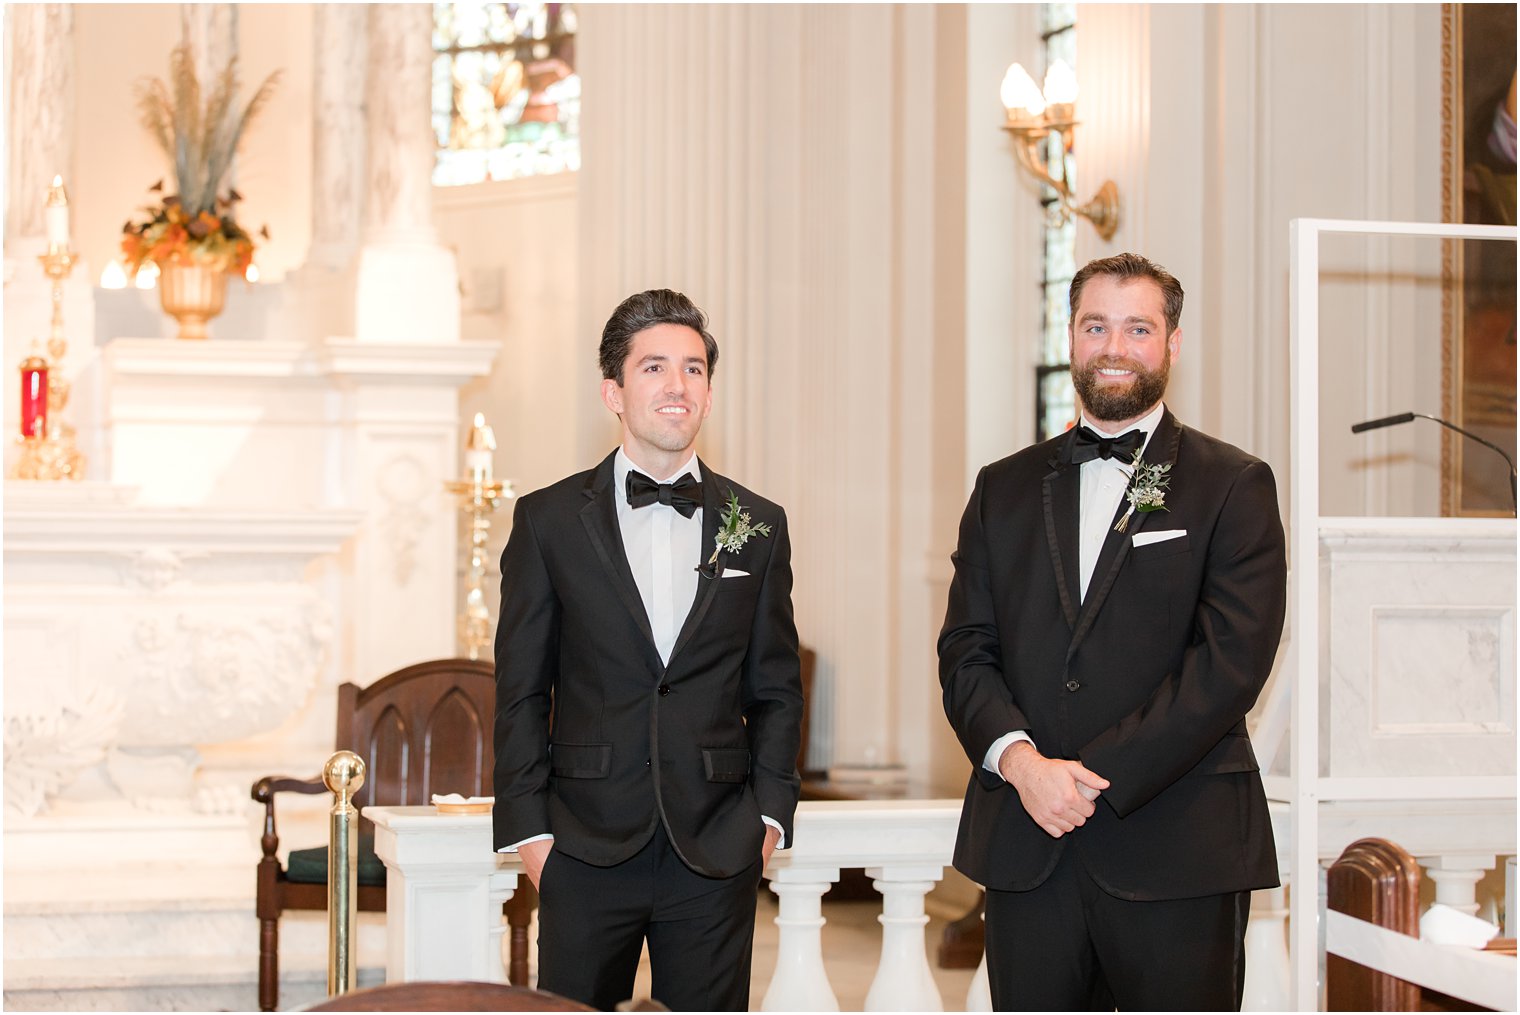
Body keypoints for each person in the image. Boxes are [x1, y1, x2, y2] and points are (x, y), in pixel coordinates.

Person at [938, 253, 1286, 1011]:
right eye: (1097, 325)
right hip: (1030, 845)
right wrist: (1025, 765)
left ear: (1173, 343)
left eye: (1138, 327)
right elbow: (966, 649)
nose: (1115, 346)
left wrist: (1088, 776)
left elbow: (1229, 665)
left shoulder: (1232, 484)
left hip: (1179, 848)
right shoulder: (1002, 487)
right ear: (1070, 336)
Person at [492, 288, 803, 1012]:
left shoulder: (757, 523)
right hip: (581, 845)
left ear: (709, 390)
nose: (676, 386)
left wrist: (767, 817)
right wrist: (533, 834)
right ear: (614, 390)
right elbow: (520, 692)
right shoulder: (547, 521)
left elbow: (778, 688)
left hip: (717, 846)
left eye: (693, 369)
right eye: (654, 367)